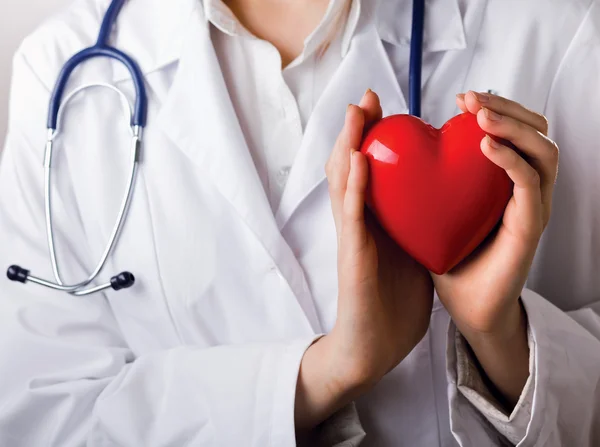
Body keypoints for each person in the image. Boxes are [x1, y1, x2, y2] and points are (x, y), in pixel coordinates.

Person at [0, 0, 598, 445]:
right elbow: (40, 416)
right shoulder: (63, 71)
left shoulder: (553, 32)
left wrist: (502, 337)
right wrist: (325, 373)